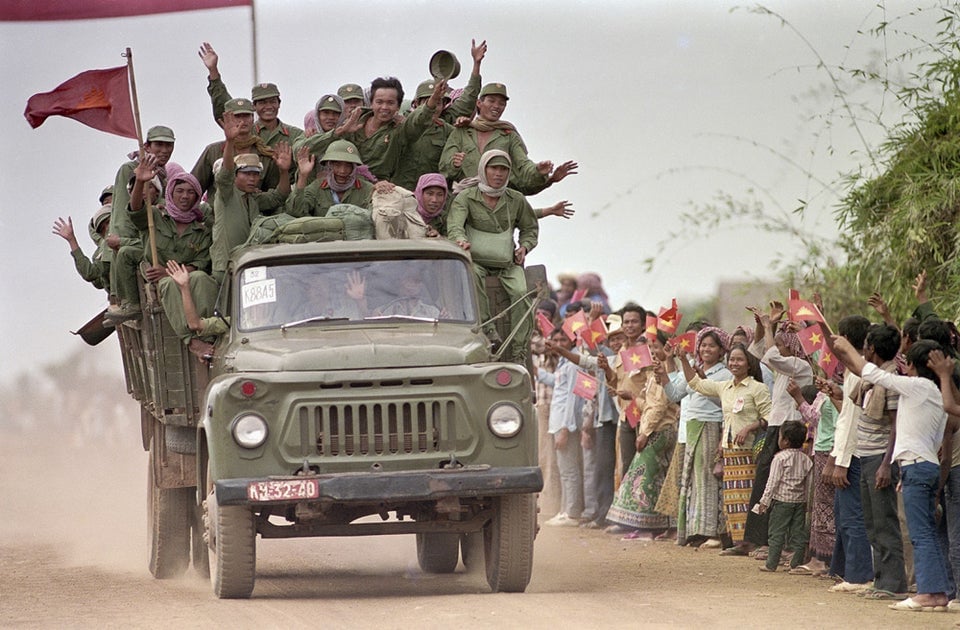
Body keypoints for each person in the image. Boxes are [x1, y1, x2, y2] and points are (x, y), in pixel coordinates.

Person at [835, 337, 952, 611]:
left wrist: (845, 347)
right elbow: (936, 438)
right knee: (927, 533)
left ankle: (928, 592)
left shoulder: (915, 387)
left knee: (920, 533)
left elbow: (872, 372)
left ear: (911, 365)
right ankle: (936, 592)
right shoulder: (934, 392)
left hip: (915, 465)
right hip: (925, 464)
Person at [446, 149, 538, 363]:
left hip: (507, 263)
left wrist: (524, 247)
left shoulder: (516, 199)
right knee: (471, 275)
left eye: (504, 169)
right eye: (494, 168)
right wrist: (460, 241)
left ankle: (518, 351)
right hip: (476, 260)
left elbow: (530, 228)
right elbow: (455, 225)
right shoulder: (466, 197)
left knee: (522, 293)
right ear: (483, 169)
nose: (498, 174)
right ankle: (488, 330)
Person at [680, 343, 772, 554]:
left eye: (739, 359)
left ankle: (752, 541)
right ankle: (740, 543)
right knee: (732, 499)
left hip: (749, 451)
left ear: (749, 364)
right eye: (732, 360)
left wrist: (751, 426)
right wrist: (684, 360)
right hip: (729, 451)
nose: (734, 363)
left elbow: (770, 416)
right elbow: (696, 384)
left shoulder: (757, 388)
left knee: (748, 497)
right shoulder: (725, 387)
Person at [111, 155, 215, 341]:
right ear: (170, 193)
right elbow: (136, 210)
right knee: (168, 285)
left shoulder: (201, 228)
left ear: (197, 196)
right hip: (159, 284)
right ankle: (191, 340)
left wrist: (169, 272)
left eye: (190, 192)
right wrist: (140, 182)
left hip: (186, 279)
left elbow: (200, 263)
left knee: (201, 278)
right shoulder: (155, 217)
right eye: (180, 191)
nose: (184, 196)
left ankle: (207, 334)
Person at [440, 81, 577, 195]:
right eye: (491, 101)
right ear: (479, 103)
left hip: (496, 202)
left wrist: (537, 170)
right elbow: (444, 168)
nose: (496, 106)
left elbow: (523, 165)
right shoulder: (462, 131)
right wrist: (455, 164)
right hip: (462, 199)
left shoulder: (508, 134)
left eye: (501, 103)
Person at [299, 78, 447, 182]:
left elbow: (417, 121)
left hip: (378, 188)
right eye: (379, 102)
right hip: (340, 186)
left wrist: (432, 101)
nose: (384, 107)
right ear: (371, 102)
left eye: (390, 103)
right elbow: (301, 151)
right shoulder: (351, 121)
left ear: (398, 106)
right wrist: (341, 131)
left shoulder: (399, 129)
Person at [663, 326, 733, 549]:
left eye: (711, 345)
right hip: (691, 428)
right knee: (691, 482)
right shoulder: (695, 368)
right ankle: (694, 530)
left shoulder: (725, 374)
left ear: (721, 350)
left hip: (711, 426)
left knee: (708, 481)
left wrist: (700, 381)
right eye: (703, 345)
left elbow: (724, 405)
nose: (706, 349)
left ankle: (712, 532)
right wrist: (663, 375)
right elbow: (675, 395)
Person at [606, 331, 679, 539]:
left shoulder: (662, 373)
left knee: (640, 478)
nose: (652, 351)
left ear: (667, 349)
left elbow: (658, 407)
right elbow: (648, 404)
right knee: (655, 479)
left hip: (658, 431)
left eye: (656, 347)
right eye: (649, 347)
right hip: (657, 430)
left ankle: (643, 524)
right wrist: (633, 397)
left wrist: (644, 433)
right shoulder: (652, 374)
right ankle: (656, 524)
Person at [391, 40, 487, 191]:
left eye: (439, 102)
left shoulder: (446, 126)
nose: (434, 106)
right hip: (401, 192)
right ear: (415, 104)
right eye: (429, 101)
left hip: (433, 197)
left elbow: (469, 98)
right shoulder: (402, 124)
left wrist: (476, 64)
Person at [210, 111, 292, 283]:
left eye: (256, 174)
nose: (252, 178)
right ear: (236, 175)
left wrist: (283, 171)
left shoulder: (253, 197)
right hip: (226, 267)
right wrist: (231, 142)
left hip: (248, 265)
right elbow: (225, 174)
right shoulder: (227, 193)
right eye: (246, 174)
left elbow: (279, 196)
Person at [826, 315, 875, 593]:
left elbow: (852, 423)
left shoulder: (860, 371)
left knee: (853, 516)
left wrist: (840, 461)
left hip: (854, 453)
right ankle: (847, 570)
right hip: (849, 451)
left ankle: (859, 575)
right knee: (845, 514)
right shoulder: (854, 371)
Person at [198, 42, 303, 148]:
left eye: (272, 101)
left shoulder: (295, 135)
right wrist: (213, 71)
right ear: (253, 106)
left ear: (279, 103)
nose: (268, 106)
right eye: (262, 102)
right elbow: (224, 104)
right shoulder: (243, 130)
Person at [192, 97, 282, 202]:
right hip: (217, 215)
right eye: (237, 116)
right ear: (227, 119)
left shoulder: (264, 153)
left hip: (254, 213)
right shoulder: (213, 151)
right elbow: (194, 188)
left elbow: (274, 195)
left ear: (253, 118)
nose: (242, 121)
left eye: (246, 116)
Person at [755, 420, 813, 572]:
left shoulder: (779, 458)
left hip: (782, 502)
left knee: (776, 533)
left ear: (785, 441)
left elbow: (772, 482)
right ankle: (796, 563)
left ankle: (771, 563)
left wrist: (764, 501)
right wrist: (807, 501)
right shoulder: (806, 459)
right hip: (800, 502)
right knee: (798, 534)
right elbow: (809, 483)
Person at [543, 327, 586, 526]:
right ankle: (564, 510)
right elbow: (557, 385)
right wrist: (538, 373)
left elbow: (572, 398)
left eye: (563, 340)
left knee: (569, 470)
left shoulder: (573, 363)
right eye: (556, 340)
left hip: (564, 424)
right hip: (557, 422)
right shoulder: (563, 362)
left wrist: (565, 429)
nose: (559, 344)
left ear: (572, 341)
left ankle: (572, 513)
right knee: (563, 468)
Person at [288, 140, 373, 217]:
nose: (342, 171)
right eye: (337, 165)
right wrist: (303, 176)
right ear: (329, 166)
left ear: (354, 168)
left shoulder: (367, 190)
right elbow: (296, 212)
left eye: (348, 166)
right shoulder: (317, 187)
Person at [52, 206, 112, 292]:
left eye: (108, 222)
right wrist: (72, 240)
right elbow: (94, 278)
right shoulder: (103, 250)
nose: (106, 228)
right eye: (102, 228)